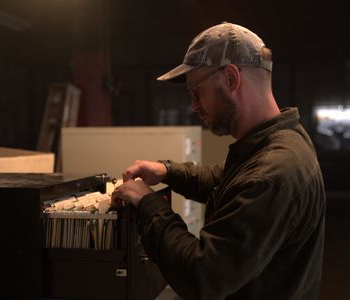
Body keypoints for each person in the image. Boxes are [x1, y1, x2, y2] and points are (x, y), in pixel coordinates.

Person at [111, 22, 326, 300]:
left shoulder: (272, 171)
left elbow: (202, 276)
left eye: (196, 93)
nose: (193, 106)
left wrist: (147, 204)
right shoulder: (280, 140)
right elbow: (226, 180)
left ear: (231, 79)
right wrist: (167, 171)